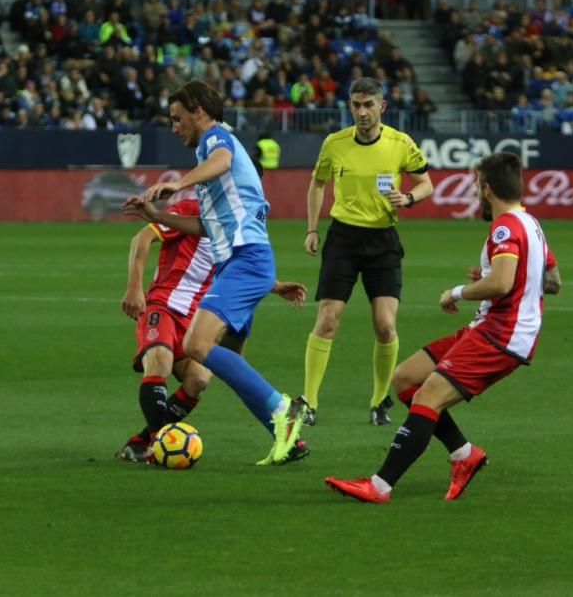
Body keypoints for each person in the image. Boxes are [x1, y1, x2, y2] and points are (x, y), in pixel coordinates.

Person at [325, 152, 562, 504]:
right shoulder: (532, 225)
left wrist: (457, 292)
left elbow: (500, 284)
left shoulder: (504, 227)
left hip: (501, 336)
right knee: (406, 378)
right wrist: (505, 279)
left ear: (487, 190)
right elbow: (553, 281)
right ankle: (465, 455)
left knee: (427, 397)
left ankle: (380, 485)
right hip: (491, 328)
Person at [123, 80, 309, 466]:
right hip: (242, 265)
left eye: (178, 118)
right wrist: (159, 216)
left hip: (245, 261)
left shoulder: (214, 140)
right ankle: (287, 436)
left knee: (196, 347)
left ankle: (285, 411)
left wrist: (178, 183)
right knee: (223, 360)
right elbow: (208, 228)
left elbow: (221, 161)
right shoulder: (216, 168)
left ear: (199, 111)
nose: (175, 128)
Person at [118, 194, 307, 462]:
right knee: (159, 361)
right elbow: (142, 238)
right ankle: (160, 446)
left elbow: (237, 264)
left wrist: (274, 286)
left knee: (199, 379)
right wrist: (135, 287)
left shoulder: (234, 224)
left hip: (197, 318)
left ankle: (143, 442)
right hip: (164, 305)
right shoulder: (191, 208)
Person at [301, 77, 433, 427]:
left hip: (382, 241)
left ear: (382, 107)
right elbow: (317, 184)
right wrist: (312, 228)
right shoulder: (334, 143)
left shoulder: (400, 143)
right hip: (342, 239)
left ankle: (378, 402)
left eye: (368, 105)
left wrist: (407, 199)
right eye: (356, 105)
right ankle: (309, 401)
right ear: (350, 106)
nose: (362, 112)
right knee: (328, 319)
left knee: (386, 326)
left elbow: (426, 183)